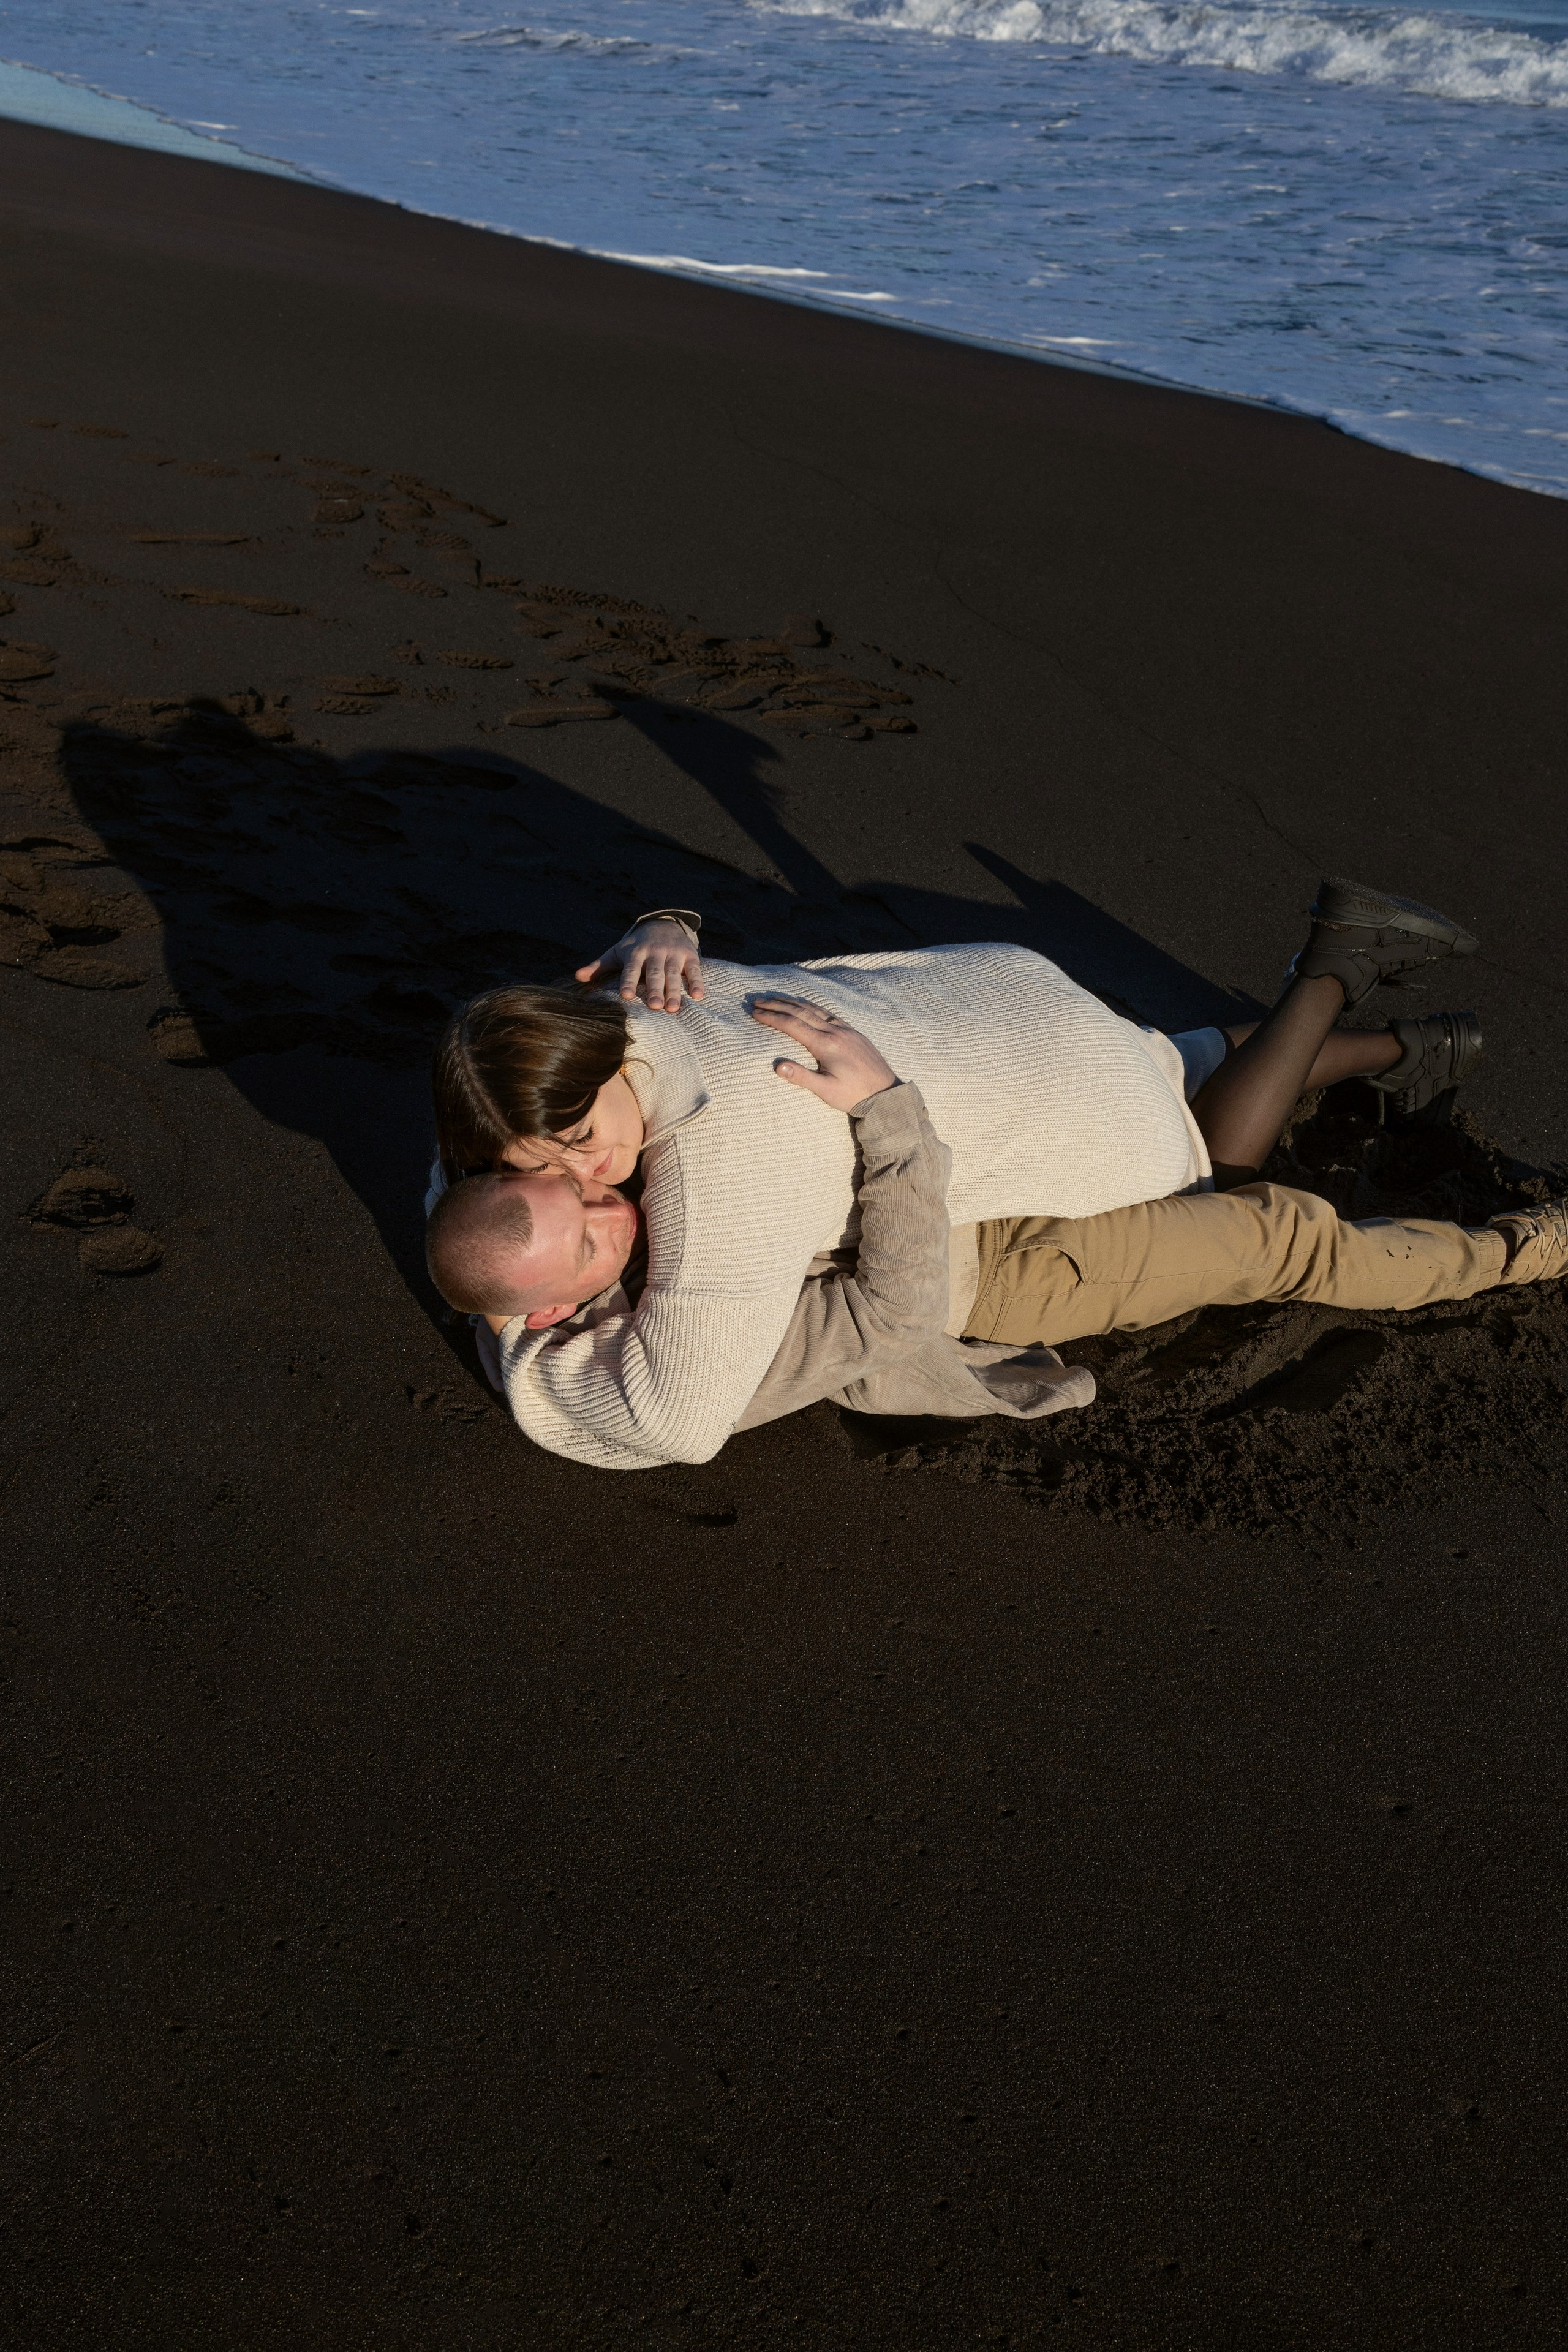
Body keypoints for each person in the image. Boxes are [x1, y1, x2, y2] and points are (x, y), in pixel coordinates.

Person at [424, 881, 1509, 1468]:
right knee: (1156, 1053)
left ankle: (1331, 970)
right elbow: (465, 1192)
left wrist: (524, 1333)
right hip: (987, 1005)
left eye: (582, 1149)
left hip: (998, 1127)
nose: (597, 1180)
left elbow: (676, 1420)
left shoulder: (724, 1158)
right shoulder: (631, 1010)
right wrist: (663, 919)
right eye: (550, 1172)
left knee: (1209, 1168)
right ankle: (1420, 1050)